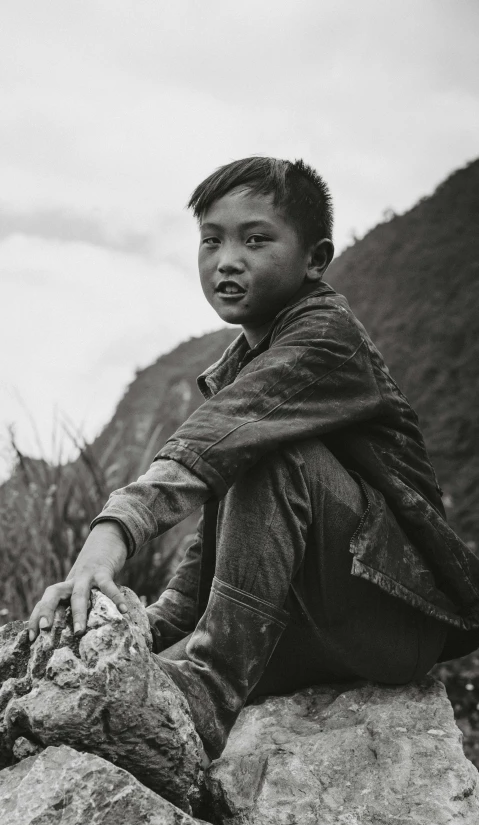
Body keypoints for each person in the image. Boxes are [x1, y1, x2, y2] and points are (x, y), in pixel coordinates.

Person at [28, 157, 479, 761]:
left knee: (270, 453)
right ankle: (186, 680)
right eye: (210, 240)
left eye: (256, 239)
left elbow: (220, 442)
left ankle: (207, 698)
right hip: (303, 626)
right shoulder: (242, 362)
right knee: (106, 677)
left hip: (392, 619)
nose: (226, 259)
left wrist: (114, 530)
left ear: (315, 259)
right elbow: (221, 535)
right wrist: (145, 626)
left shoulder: (326, 338)